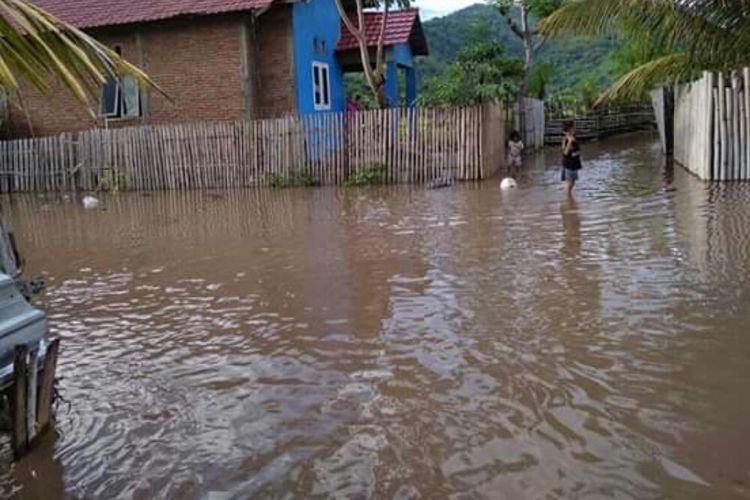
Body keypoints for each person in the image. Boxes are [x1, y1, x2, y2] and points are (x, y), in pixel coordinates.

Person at [561, 121, 582, 197]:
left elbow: (577, 148)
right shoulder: (566, 138)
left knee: (572, 182)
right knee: (569, 182)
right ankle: (567, 199)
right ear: (570, 128)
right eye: (573, 127)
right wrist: (569, 142)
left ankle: (569, 197)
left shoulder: (574, 136)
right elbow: (565, 152)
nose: (574, 128)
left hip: (574, 162)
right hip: (568, 162)